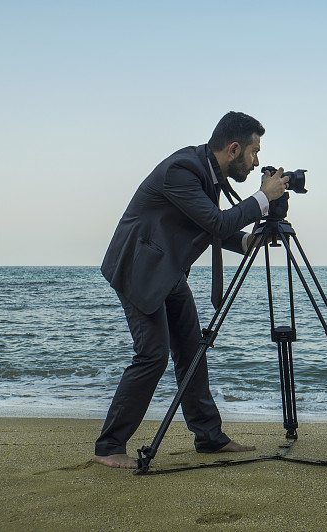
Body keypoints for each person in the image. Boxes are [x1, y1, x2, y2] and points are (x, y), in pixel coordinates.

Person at [94, 112, 289, 468]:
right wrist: (263, 198)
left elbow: (209, 224)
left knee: (192, 353)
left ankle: (210, 439)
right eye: (254, 151)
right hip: (140, 269)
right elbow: (215, 221)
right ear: (234, 149)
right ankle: (108, 447)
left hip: (166, 271)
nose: (257, 161)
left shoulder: (204, 171)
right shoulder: (182, 170)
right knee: (152, 356)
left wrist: (248, 240)